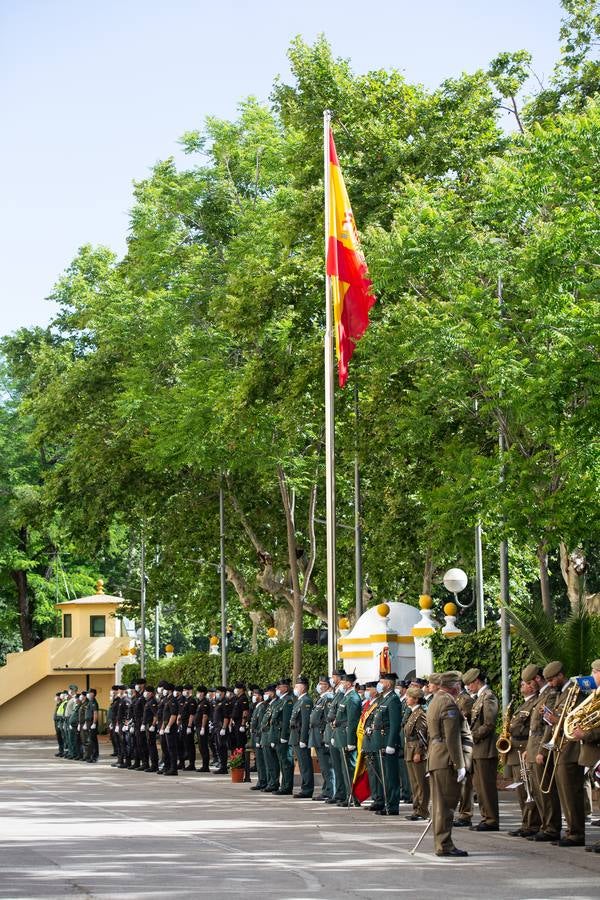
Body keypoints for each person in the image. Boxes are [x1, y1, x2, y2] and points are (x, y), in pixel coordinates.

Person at [541, 660, 586, 846]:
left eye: (552, 680)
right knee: (564, 793)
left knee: (571, 793)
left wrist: (555, 718)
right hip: (561, 748)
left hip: (571, 748)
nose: (550, 684)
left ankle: (576, 833)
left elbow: (577, 719)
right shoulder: (560, 693)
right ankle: (570, 830)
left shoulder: (574, 692)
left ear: (561, 676)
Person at [426, 670, 468, 857]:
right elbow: (452, 737)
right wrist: (460, 763)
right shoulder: (448, 702)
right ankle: (444, 844)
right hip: (445, 757)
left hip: (436, 755)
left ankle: (442, 842)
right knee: (446, 804)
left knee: (439, 803)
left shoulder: (435, 700)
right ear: (455, 686)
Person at [525, 666, 561, 842]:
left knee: (546, 790)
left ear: (538, 679)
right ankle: (545, 825)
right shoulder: (542, 695)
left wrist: (542, 750)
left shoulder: (551, 695)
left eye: (530, 682)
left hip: (541, 746)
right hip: (533, 745)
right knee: (538, 791)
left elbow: (548, 726)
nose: (529, 686)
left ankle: (551, 827)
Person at [505, 665, 542, 838]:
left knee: (529, 789)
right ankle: (525, 822)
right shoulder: (524, 703)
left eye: (525, 683)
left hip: (525, 748)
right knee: (521, 790)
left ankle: (533, 823)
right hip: (515, 750)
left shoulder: (536, 702)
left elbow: (534, 729)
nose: (521, 686)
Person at [463, 667, 499, 831]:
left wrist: (473, 736)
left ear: (477, 681)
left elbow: (489, 724)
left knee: (486, 787)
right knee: (480, 788)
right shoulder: (479, 698)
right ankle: (486, 818)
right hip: (478, 749)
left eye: (470, 684)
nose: (468, 688)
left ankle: (491, 820)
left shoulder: (488, 697)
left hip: (485, 749)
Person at [368, 672, 401, 816]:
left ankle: (392, 806)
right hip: (379, 742)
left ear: (388, 683)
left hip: (387, 742)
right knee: (384, 775)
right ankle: (386, 803)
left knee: (391, 776)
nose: (379, 684)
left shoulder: (393, 700)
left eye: (381, 681)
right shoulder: (383, 699)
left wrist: (391, 743)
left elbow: (395, 725)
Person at [332, 672, 362, 807]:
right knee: (344, 769)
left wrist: (351, 741)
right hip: (340, 736)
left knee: (349, 768)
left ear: (348, 684)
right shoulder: (346, 697)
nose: (342, 685)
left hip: (346, 737)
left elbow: (352, 721)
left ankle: (353, 797)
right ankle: (348, 795)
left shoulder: (353, 698)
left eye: (343, 683)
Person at [403, 686, 429, 820]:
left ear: (416, 699)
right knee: (414, 783)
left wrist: (419, 752)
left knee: (421, 783)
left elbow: (422, 735)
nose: (406, 699)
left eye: (409, 697)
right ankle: (416, 809)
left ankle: (422, 811)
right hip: (409, 749)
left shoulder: (420, 714)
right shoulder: (412, 712)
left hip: (416, 750)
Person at [309, 675, 335, 802]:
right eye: (319, 683)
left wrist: (326, 736)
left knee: (327, 766)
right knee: (324, 767)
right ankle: (326, 789)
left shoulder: (328, 698)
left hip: (322, 735)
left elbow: (327, 719)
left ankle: (330, 791)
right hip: (317, 735)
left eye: (322, 684)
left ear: (328, 686)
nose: (319, 686)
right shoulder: (321, 698)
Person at [453, 675, 475, 828]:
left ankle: (465, 814)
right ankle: (462, 812)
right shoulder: (456, 699)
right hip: (458, 743)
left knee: (466, 782)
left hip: (465, 743)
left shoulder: (465, 700)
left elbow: (465, 720)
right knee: (460, 782)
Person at [289, 675, 314, 799]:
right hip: (295, 736)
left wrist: (303, 739)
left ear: (303, 688)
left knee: (305, 764)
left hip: (300, 737)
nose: (295, 688)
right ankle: (305, 787)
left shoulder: (306, 701)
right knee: (302, 764)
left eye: (297, 686)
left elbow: (305, 722)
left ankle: (307, 789)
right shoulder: (299, 701)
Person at [324, 669, 346, 805]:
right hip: (333, 733)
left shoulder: (343, 695)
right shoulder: (336, 694)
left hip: (340, 733)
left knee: (340, 767)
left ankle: (342, 793)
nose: (332, 679)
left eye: (334, 677)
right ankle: (338, 793)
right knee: (336, 767)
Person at [270, 677, 295, 795]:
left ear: (285, 688)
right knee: (282, 761)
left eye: (279, 687)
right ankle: (283, 785)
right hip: (277, 734)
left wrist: (284, 736)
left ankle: (287, 786)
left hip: (283, 735)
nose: (277, 689)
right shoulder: (281, 700)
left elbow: (286, 721)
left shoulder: (288, 701)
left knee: (286, 762)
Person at [260, 683, 280, 792]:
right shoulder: (269, 705)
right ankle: (270, 782)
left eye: (267, 692)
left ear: (272, 693)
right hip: (265, 736)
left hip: (269, 736)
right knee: (268, 762)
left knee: (272, 762)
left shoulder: (276, 704)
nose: (265, 695)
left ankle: (273, 783)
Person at [249, 686, 268, 791]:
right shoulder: (257, 707)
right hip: (256, 737)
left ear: (260, 697)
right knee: (259, 761)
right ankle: (261, 780)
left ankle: (263, 781)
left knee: (261, 762)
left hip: (259, 737)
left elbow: (261, 725)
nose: (253, 697)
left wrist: (259, 739)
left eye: (255, 695)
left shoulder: (261, 708)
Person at [211, 686, 231, 775]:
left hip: (221, 728)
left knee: (222, 748)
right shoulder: (218, 702)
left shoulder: (225, 703)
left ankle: (224, 766)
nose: (217, 694)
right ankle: (221, 765)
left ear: (223, 693)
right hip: (216, 728)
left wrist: (224, 728)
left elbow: (226, 717)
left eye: (218, 692)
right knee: (218, 747)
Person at [194, 685, 211, 773]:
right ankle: (204, 765)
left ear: (202, 693)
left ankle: (205, 766)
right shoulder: (200, 702)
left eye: (198, 692)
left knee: (203, 746)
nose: (197, 694)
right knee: (201, 746)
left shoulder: (204, 703)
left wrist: (203, 727)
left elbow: (205, 716)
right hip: (198, 726)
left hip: (202, 726)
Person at [141, 685, 158, 772]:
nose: (145, 693)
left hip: (151, 726)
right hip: (147, 725)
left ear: (151, 693)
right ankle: (152, 765)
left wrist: (153, 725)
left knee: (152, 746)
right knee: (149, 745)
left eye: (147, 692)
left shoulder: (152, 702)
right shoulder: (148, 701)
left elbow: (156, 715)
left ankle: (154, 765)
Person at [230, 682, 250, 751]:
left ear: (241, 689)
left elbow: (245, 712)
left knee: (240, 743)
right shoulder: (237, 698)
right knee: (236, 743)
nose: (235, 690)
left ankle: (242, 760)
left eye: (237, 688)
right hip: (235, 723)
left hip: (240, 723)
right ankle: (237, 759)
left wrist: (242, 724)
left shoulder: (243, 698)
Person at [83, 688, 99, 763]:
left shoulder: (94, 703)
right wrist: (86, 723)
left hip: (92, 723)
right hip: (88, 723)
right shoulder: (89, 702)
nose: (88, 694)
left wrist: (94, 723)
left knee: (93, 741)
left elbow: (95, 713)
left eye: (89, 693)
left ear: (93, 694)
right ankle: (91, 755)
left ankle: (94, 756)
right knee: (91, 740)